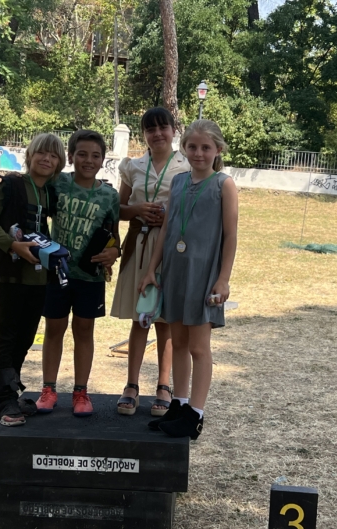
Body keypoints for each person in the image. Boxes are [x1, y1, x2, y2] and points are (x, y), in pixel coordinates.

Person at [139, 119, 238, 439]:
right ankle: (179, 404)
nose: (198, 153)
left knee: (198, 346)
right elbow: (168, 228)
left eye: (205, 148)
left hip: (203, 273)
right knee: (177, 342)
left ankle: (195, 413)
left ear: (217, 150)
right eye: (192, 147)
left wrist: (223, 279)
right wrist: (152, 268)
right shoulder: (179, 181)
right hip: (176, 272)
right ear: (184, 148)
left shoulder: (224, 185)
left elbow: (230, 235)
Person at [0, 133, 67, 426]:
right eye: (42, 153)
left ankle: (8, 391)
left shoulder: (50, 193)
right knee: (8, 334)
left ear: (59, 163)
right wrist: (11, 245)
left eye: (53, 156)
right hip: (12, 275)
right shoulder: (12, 185)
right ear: (30, 155)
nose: (47, 159)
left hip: (39, 278)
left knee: (27, 336)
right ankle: (5, 399)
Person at [110, 107, 190, 416]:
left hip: (172, 249)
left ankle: (164, 386)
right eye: (150, 129)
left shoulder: (185, 166)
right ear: (144, 134)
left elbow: (191, 210)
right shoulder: (133, 166)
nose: (157, 134)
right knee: (140, 316)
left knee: (165, 320)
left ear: (173, 130)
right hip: (140, 245)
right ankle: (131, 385)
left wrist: (168, 216)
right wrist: (138, 210)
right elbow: (118, 209)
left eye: (162, 127)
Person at [36, 130, 121, 417]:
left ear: (103, 160)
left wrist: (114, 252)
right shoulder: (58, 183)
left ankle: (81, 392)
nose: (88, 160)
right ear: (71, 156)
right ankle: (48, 389)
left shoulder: (109, 195)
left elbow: (115, 237)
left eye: (95, 155)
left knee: (84, 331)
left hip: (90, 276)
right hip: (57, 272)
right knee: (54, 329)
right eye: (82, 154)